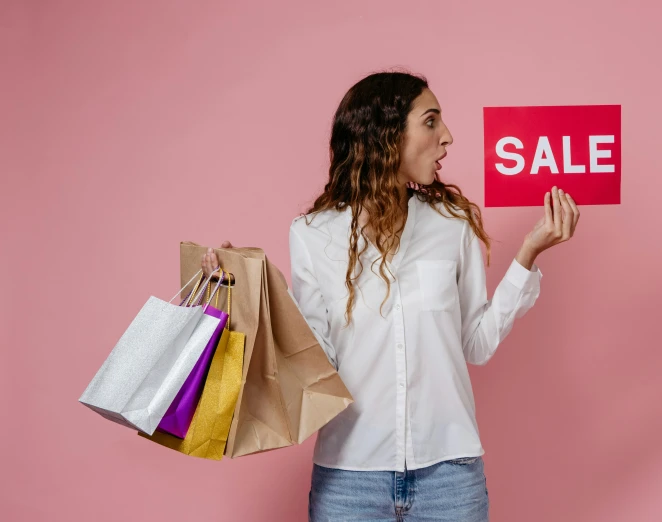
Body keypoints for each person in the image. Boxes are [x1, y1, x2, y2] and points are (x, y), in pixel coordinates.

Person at [201, 71, 579, 521]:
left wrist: (528, 254)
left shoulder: (451, 225)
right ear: (387, 135)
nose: (448, 137)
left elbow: (475, 344)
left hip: (450, 477)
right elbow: (317, 360)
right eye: (431, 121)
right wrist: (258, 289)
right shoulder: (311, 235)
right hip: (349, 480)